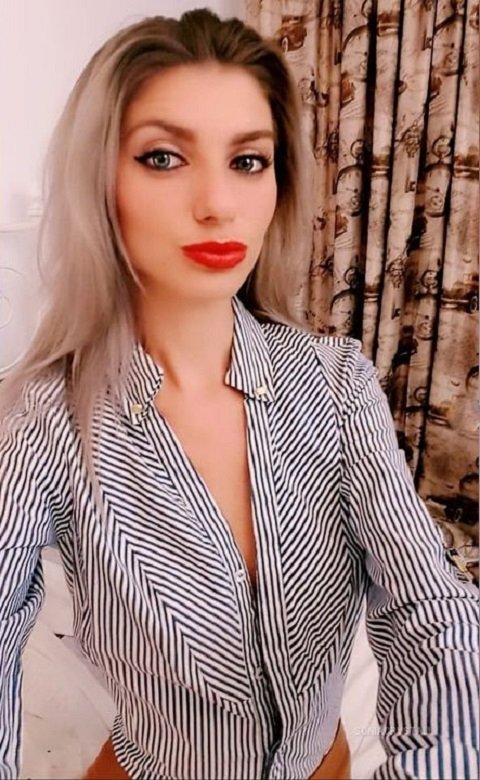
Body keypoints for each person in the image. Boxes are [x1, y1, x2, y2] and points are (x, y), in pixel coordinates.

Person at [0, 8, 478, 780]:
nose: (218, 203)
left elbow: (429, 605)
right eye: (163, 157)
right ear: (101, 183)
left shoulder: (336, 383)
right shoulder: (46, 421)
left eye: (249, 160)